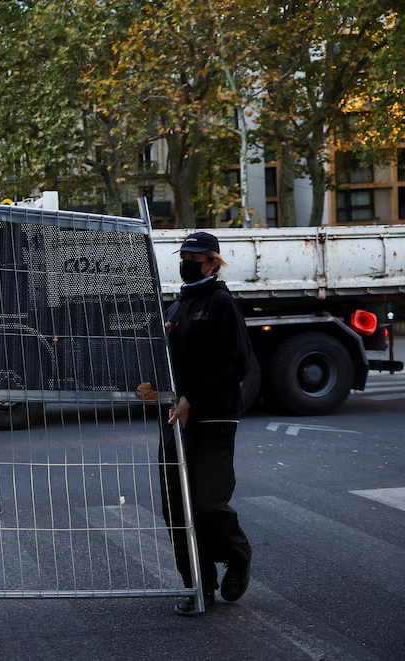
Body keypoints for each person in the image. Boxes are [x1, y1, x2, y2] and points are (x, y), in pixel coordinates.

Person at [158, 231, 253, 616]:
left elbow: (236, 365)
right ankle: (199, 585)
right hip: (175, 418)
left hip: (213, 416)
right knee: (176, 508)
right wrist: (155, 386)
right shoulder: (176, 305)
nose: (186, 262)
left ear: (213, 261)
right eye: (183, 256)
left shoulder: (221, 303)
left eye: (194, 257)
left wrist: (191, 398)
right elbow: (168, 359)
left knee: (207, 504)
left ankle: (238, 553)